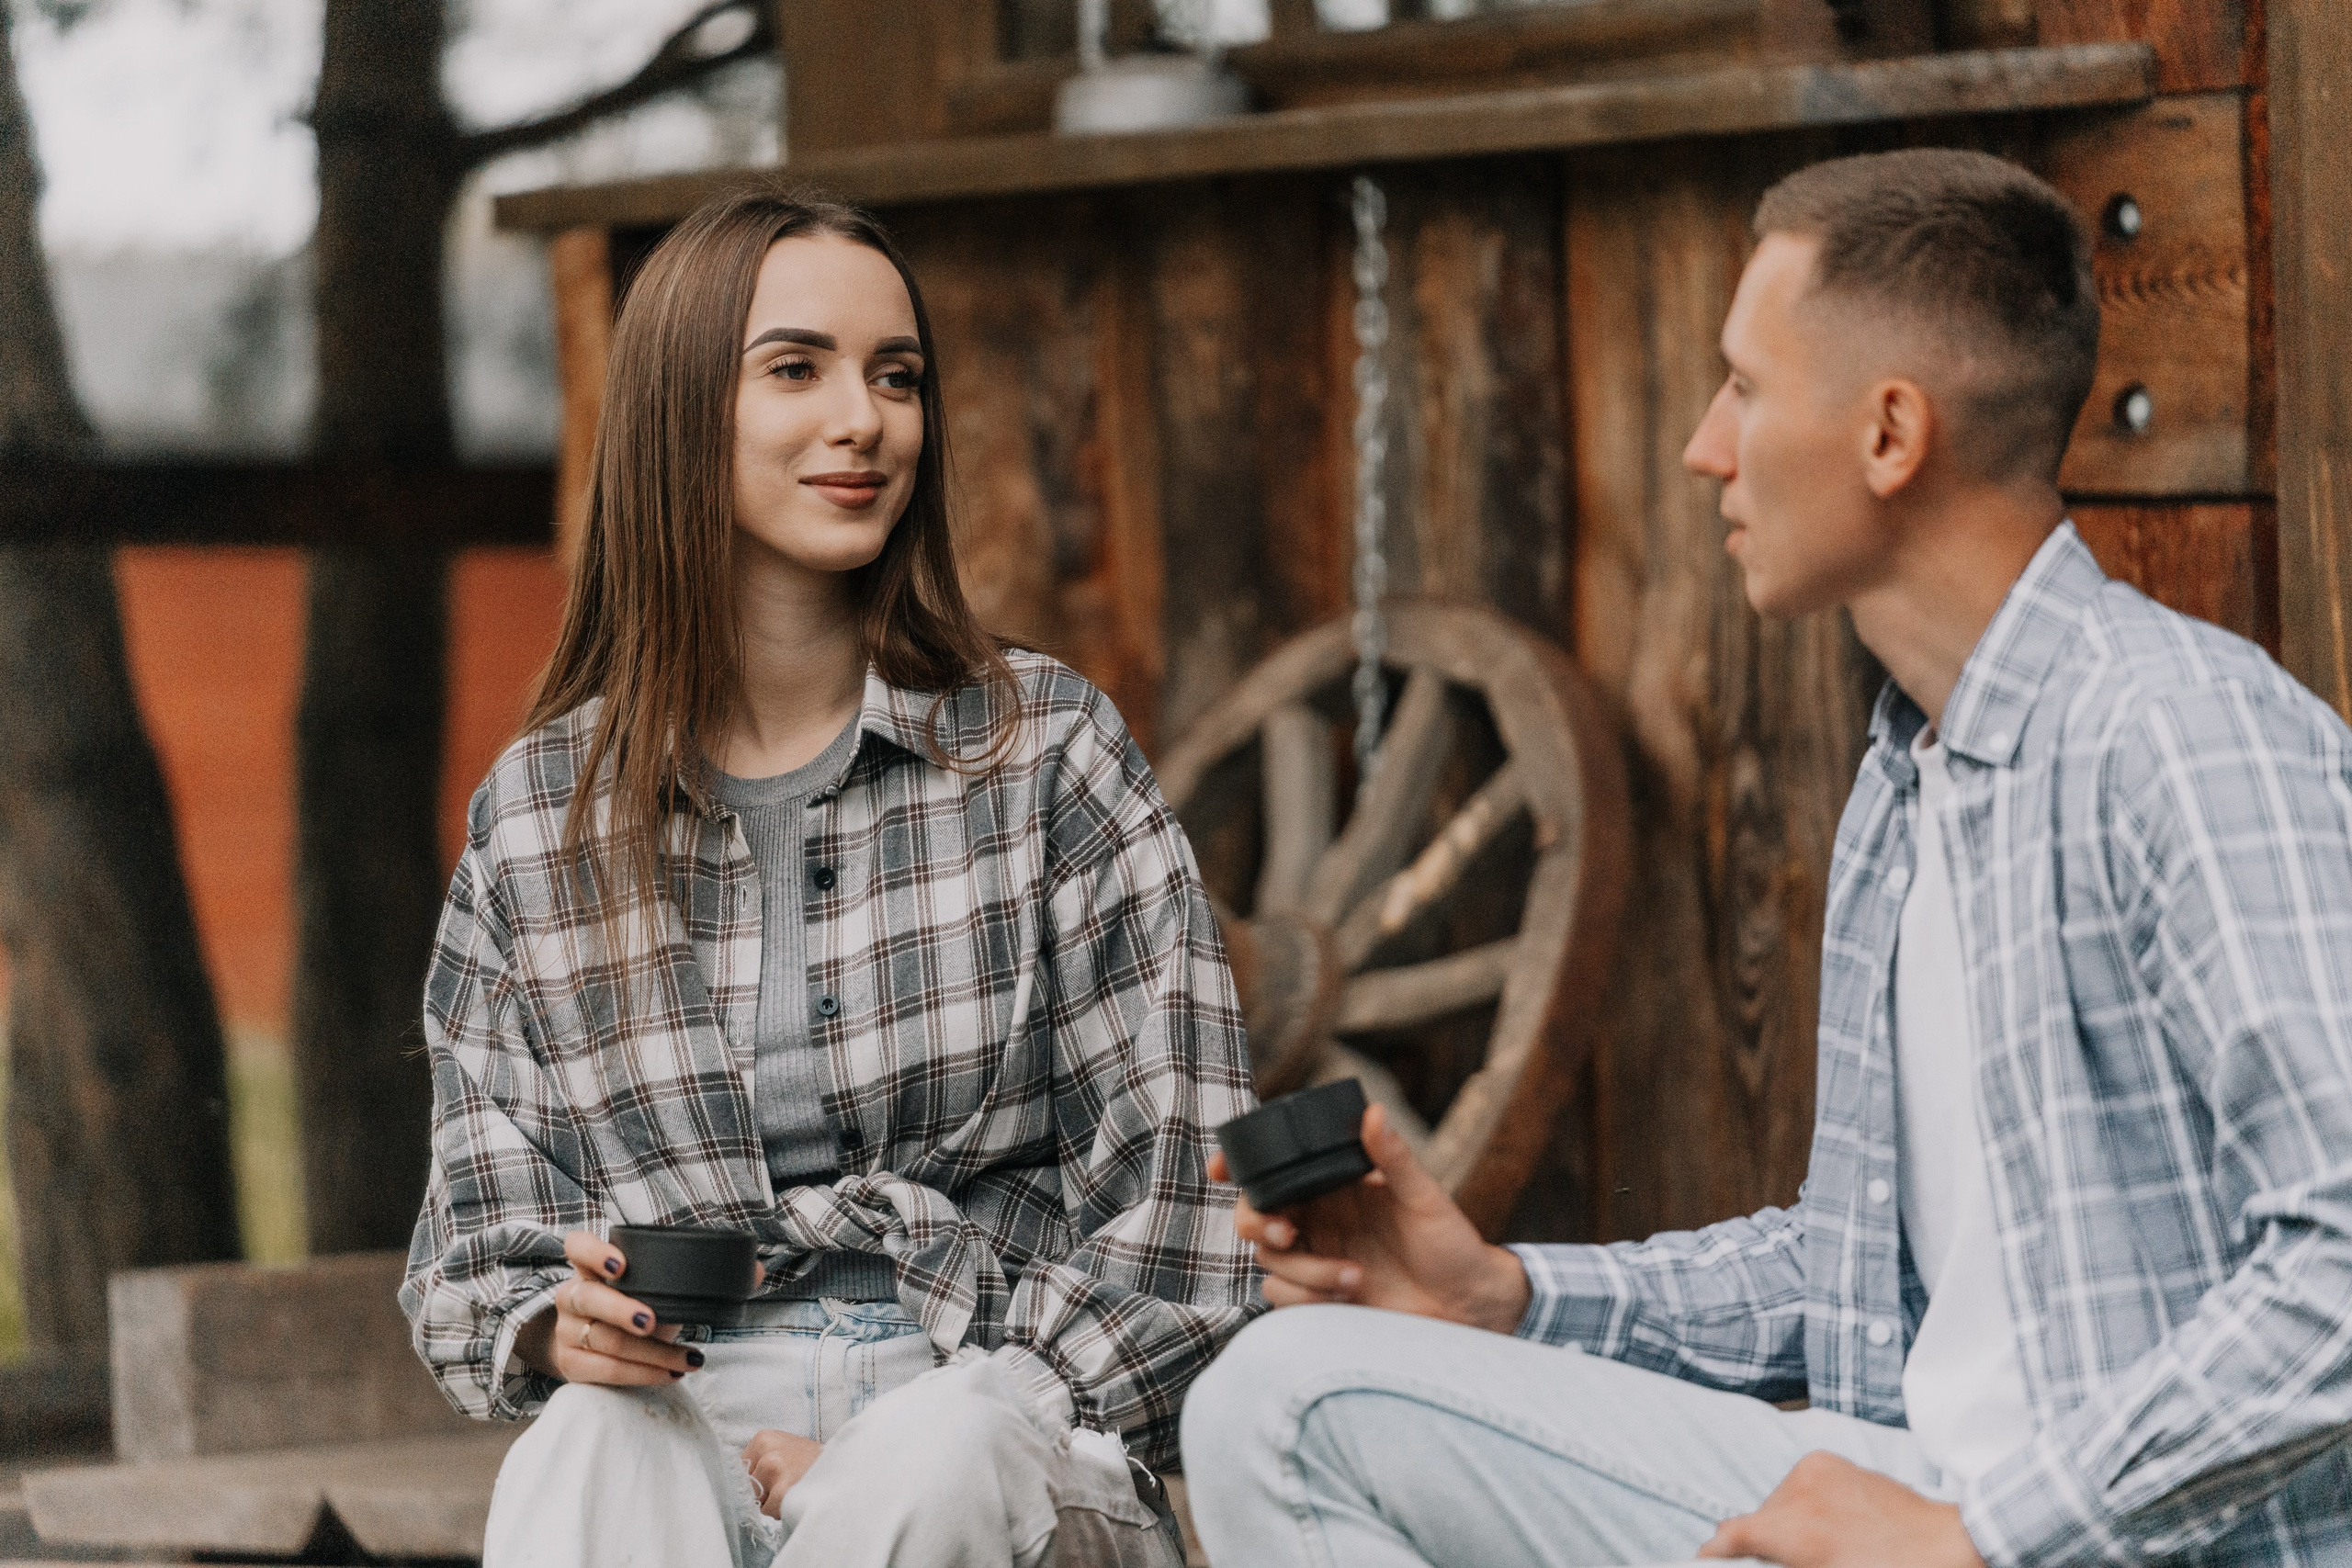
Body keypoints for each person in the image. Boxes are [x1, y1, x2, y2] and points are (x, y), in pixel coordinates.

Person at [1180, 148, 2352, 1568]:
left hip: (2093, 1541)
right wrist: (1506, 1296)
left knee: (1287, 1406)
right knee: (1279, 1401)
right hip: (1916, 1502)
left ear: (1889, 434)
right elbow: (1849, 1272)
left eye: (1743, 385)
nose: (1703, 447)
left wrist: (1979, 1532)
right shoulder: (1910, 782)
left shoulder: (2181, 737)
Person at [397, 186, 1256, 1568]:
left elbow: (1188, 1222)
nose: (865, 419)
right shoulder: (541, 818)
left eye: (896, 377)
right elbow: (474, 1252)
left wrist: (915, 1439)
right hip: (686, 1407)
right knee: (585, 1446)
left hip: (998, 1405)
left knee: (936, 1459)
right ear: (680, 415)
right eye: (797, 370)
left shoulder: (1045, 750)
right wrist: (554, 1325)